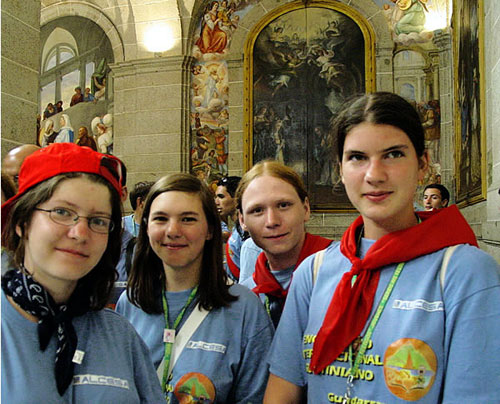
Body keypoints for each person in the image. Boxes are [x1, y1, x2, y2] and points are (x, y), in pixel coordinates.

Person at [264, 92, 500, 403]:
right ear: (340, 170)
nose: (374, 175)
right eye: (357, 157)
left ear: (423, 165)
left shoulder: (465, 272)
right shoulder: (314, 271)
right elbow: (283, 390)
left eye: (393, 154)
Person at [1, 143, 163, 402]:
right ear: (22, 223)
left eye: (98, 220)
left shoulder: (120, 335)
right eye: (62, 212)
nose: (79, 233)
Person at [116, 173, 273, 403]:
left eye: (188, 219)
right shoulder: (130, 303)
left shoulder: (245, 310)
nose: (173, 230)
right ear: (147, 227)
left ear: (210, 229)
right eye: (160, 219)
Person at [236, 160, 332, 327]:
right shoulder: (245, 298)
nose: (272, 221)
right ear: (242, 220)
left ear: (306, 208)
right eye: (257, 210)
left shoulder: (344, 271)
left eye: (283, 205)